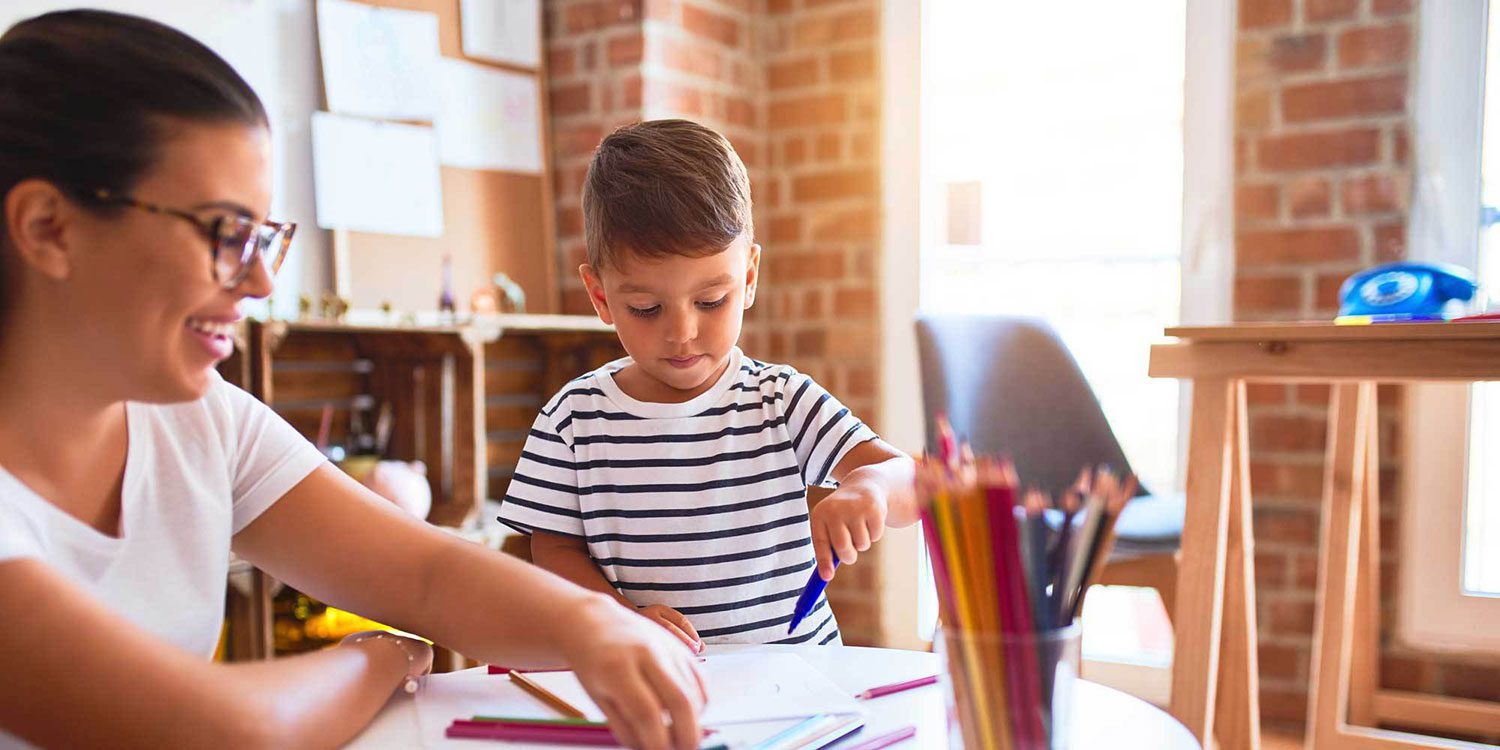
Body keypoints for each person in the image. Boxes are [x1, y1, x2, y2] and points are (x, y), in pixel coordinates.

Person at [0, 11, 702, 750]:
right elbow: (222, 729)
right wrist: (377, 658)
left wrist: (593, 623)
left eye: (266, 237)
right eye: (226, 233)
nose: (262, 280)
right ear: (49, 227)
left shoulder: (203, 423)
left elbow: (425, 571)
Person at [498, 120, 920, 650]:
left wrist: (873, 487)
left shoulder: (780, 401)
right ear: (600, 296)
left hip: (796, 690)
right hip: (661, 687)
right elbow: (552, 550)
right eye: (646, 308)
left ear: (748, 278)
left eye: (710, 301)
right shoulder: (573, 419)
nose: (682, 333)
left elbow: (913, 480)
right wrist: (618, 618)